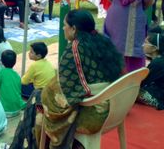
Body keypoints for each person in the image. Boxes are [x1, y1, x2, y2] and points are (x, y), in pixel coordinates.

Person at [7, 9, 123, 149]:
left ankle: (27, 145)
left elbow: (67, 93)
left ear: (74, 29)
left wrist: (46, 94)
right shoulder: (102, 43)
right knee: (39, 96)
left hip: (92, 112)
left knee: (36, 99)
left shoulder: (75, 50)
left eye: (65, 25)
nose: (63, 28)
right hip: (114, 106)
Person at [104, 0, 154, 72]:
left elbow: (149, 2)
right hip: (114, 22)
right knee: (114, 47)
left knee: (132, 49)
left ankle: (132, 78)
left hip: (134, 22)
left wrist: (133, 10)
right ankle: (114, 76)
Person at [138, 33, 164, 110]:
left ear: (154, 48)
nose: (143, 45)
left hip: (163, 101)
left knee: (129, 91)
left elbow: (141, 82)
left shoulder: (158, 63)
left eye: (145, 43)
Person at [0, 50, 26, 117]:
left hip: (5, 111)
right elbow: (18, 91)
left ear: (1, 61)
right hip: (17, 110)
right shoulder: (17, 75)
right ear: (15, 62)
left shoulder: (2, 72)